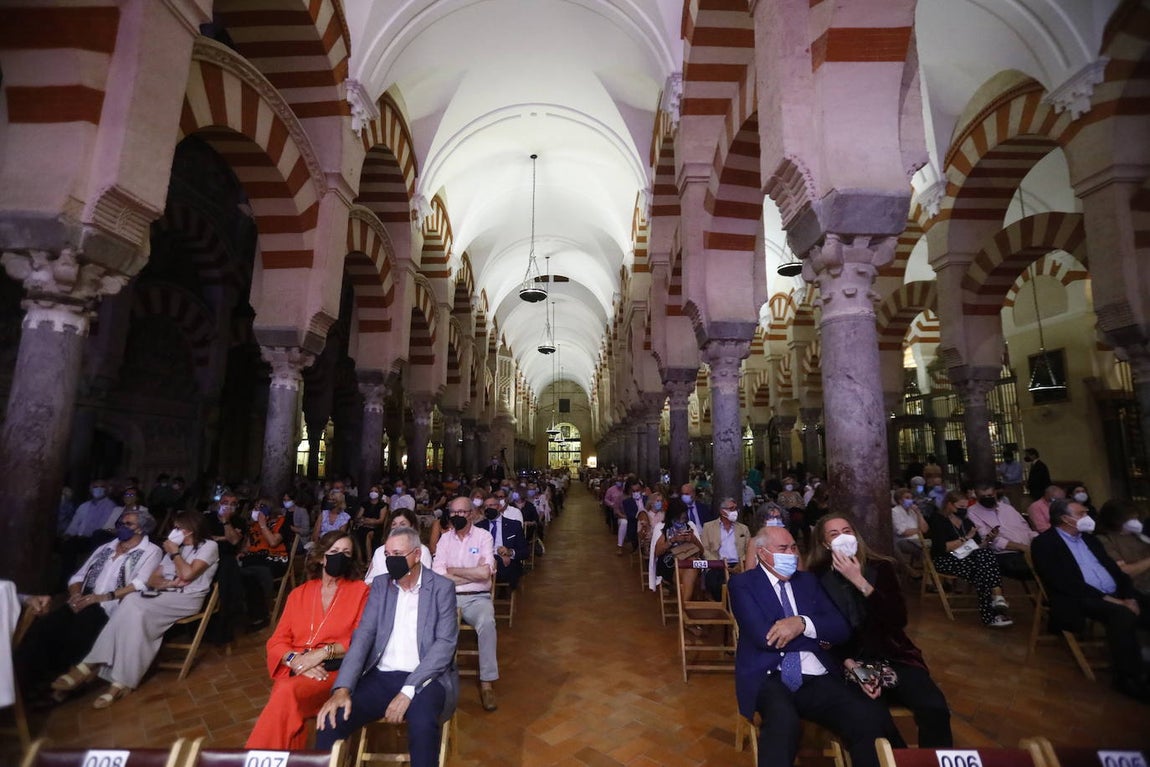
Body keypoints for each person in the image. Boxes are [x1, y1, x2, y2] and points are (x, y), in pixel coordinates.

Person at [729, 526, 901, 767]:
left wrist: (802, 624)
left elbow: (840, 629)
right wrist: (818, 634)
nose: (791, 554)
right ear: (762, 553)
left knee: (867, 716)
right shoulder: (743, 584)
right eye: (782, 549)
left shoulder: (808, 582)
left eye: (793, 547)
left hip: (816, 674)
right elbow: (764, 637)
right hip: (769, 675)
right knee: (783, 724)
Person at [315, 527, 459, 767]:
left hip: (424, 679)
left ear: (416, 555)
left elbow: (445, 645)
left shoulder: (441, 588)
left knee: (423, 726)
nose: (391, 559)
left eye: (398, 553)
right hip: (381, 676)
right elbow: (363, 636)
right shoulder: (382, 585)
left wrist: (408, 690)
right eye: (388, 554)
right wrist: (342, 688)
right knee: (332, 719)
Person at [807, 514, 953, 747]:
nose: (843, 537)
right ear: (825, 544)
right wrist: (852, 665)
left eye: (847, 531)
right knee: (874, 721)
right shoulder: (816, 577)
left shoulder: (880, 567)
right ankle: (896, 761)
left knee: (934, 708)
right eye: (834, 534)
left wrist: (860, 582)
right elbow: (821, 633)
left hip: (894, 655)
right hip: (850, 661)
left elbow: (897, 619)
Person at [52, 511, 220, 708]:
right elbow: (153, 579)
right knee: (134, 610)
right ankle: (121, 682)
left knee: (133, 603)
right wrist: (164, 581)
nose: (173, 531)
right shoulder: (176, 548)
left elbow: (188, 573)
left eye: (177, 528)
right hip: (163, 595)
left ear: (190, 529)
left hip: (187, 598)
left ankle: (91, 663)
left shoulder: (209, 546)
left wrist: (174, 553)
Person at [16, 509, 162, 703]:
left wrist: (101, 597)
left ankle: (61, 685)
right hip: (83, 600)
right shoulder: (106, 548)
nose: (122, 527)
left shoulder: (150, 551)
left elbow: (140, 584)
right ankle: (23, 683)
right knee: (44, 627)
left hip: (110, 606)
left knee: (80, 629)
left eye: (128, 524)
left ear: (141, 529)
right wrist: (77, 595)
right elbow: (78, 576)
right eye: (120, 523)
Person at [245, 531, 370, 748]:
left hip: (334, 672)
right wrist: (296, 660)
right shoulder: (298, 594)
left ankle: (257, 759)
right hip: (299, 668)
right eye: (334, 552)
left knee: (285, 692)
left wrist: (321, 654)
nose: (340, 557)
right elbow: (276, 641)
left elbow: (362, 639)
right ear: (322, 557)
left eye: (346, 553)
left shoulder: (361, 592)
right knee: (285, 694)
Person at [1032, 499, 1150, 702]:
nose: (1087, 517)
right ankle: (1128, 678)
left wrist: (1128, 596)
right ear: (1064, 519)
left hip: (1114, 593)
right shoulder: (1045, 543)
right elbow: (1064, 582)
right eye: (1081, 513)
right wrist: (1114, 601)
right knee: (1122, 614)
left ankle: (1143, 660)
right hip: (1079, 597)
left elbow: (1115, 571)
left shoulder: (1090, 540)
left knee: (1142, 604)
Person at [432, 496, 499, 711]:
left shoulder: (483, 537)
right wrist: (473, 574)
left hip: (476, 598)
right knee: (428, 623)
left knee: (487, 623)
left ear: (471, 513)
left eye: (462, 512)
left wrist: (454, 571)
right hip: (447, 596)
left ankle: (487, 682)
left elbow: (485, 572)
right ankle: (434, 678)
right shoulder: (444, 539)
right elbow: (438, 574)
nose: (458, 516)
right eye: (454, 513)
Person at [926, 491, 1014, 628]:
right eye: (960, 506)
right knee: (983, 568)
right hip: (946, 559)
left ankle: (992, 614)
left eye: (965, 507)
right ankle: (997, 600)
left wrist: (989, 539)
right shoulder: (938, 519)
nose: (963, 510)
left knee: (984, 560)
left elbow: (978, 546)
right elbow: (943, 547)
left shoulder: (966, 521)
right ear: (949, 505)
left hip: (967, 557)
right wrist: (966, 537)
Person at [965, 483, 1036, 579]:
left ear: (995, 493)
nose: (987, 498)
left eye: (990, 495)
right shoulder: (972, 512)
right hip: (1005, 553)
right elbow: (990, 540)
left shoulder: (1007, 508)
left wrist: (1038, 542)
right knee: (1042, 568)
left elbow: (1027, 530)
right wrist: (1022, 547)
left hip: (1029, 549)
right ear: (977, 496)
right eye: (983, 496)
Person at [241, 497, 289, 630]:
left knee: (254, 572)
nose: (256, 510)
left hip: (275, 559)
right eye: (255, 507)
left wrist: (263, 525)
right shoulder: (253, 525)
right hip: (254, 558)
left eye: (260, 507)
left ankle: (260, 613)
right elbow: (248, 547)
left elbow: (273, 542)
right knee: (243, 572)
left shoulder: (280, 522)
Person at [1096, 499, 1150, 595]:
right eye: (1130, 518)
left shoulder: (1139, 534)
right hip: (1137, 590)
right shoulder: (1104, 539)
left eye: (1136, 518)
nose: (1135, 521)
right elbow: (1124, 572)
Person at [700, 498, 750, 600]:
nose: (735, 512)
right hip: (717, 565)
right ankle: (726, 609)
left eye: (736, 509)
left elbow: (749, 549)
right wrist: (719, 563)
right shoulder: (708, 527)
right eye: (732, 509)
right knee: (717, 583)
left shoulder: (743, 528)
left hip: (738, 565)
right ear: (722, 511)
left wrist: (740, 564)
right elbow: (704, 549)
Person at [476, 494, 529, 590]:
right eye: (486, 507)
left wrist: (510, 552)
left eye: (492, 505)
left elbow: (525, 552)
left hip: (506, 567)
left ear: (499, 507)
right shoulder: (478, 527)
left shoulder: (514, 525)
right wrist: (495, 555)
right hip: (484, 563)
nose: (488, 509)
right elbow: (472, 550)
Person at [367, 510, 433, 583]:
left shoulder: (422, 550)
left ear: (412, 527)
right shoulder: (380, 551)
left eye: (402, 524)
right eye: (394, 524)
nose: (397, 528)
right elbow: (369, 581)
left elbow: (426, 581)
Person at [890, 489, 928, 571]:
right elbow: (903, 532)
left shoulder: (913, 511)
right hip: (903, 541)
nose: (910, 500)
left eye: (911, 498)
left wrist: (919, 513)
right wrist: (919, 530)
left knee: (934, 548)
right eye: (907, 498)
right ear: (900, 500)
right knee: (925, 550)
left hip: (918, 539)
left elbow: (925, 529)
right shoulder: (894, 512)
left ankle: (929, 574)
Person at [355, 484, 389, 557]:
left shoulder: (383, 505)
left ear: (379, 493)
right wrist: (366, 521)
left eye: (375, 491)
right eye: (371, 491)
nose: (373, 493)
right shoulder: (365, 504)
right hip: (364, 526)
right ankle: (360, 559)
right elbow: (358, 517)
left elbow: (381, 520)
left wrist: (369, 520)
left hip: (377, 528)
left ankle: (369, 559)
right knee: (357, 534)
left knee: (368, 535)